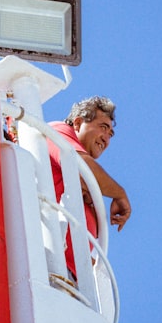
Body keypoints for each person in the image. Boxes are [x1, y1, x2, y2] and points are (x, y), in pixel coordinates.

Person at [47, 96, 131, 278]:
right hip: (50, 265)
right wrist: (119, 194)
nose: (106, 139)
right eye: (103, 127)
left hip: (70, 276)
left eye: (110, 134)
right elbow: (81, 169)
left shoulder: (86, 180)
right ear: (77, 123)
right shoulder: (58, 131)